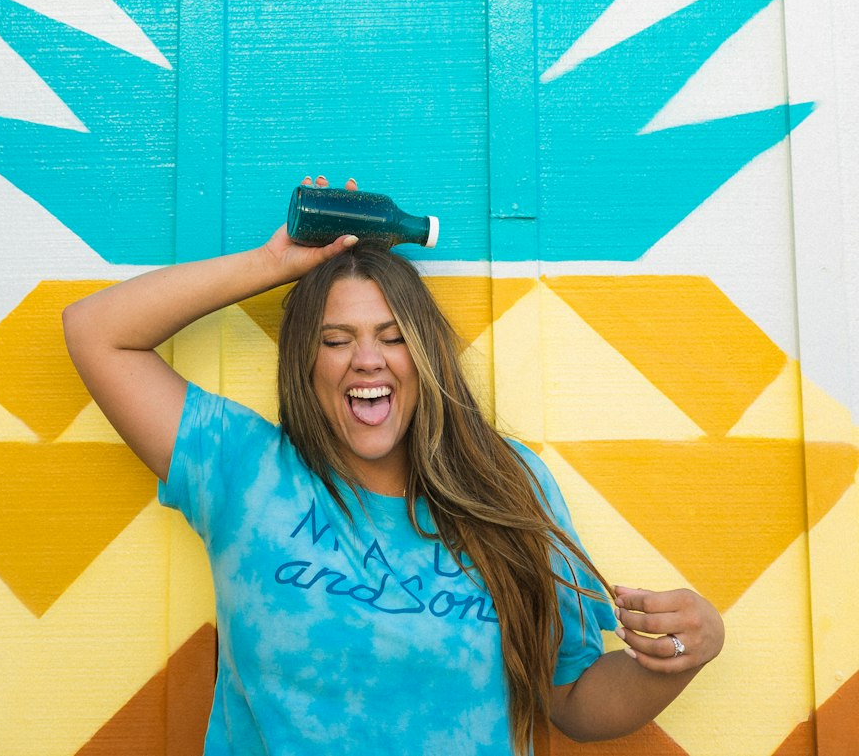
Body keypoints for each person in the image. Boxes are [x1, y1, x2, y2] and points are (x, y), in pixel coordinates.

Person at [63, 176, 724, 755]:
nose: (368, 359)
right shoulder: (244, 470)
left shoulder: (509, 483)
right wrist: (274, 262)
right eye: (336, 339)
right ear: (306, 362)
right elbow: (96, 330)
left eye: (392, 336)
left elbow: (574, 697)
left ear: (425, 357)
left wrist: (678, 656)